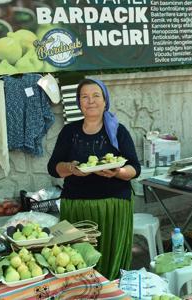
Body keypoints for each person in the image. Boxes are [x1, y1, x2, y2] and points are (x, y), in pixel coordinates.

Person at [47, 78, 141, 280]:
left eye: (96, 95)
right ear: (79, 103)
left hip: (113, 206)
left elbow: (134, 167)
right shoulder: (69, 132)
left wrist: (118, 173)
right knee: (76, 260)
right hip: (76, 205)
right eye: (84, 97)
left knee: (110, 260)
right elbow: (54, 168)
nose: (90, 101)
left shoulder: (118, 131)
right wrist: (71, 168)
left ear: (105, 100)